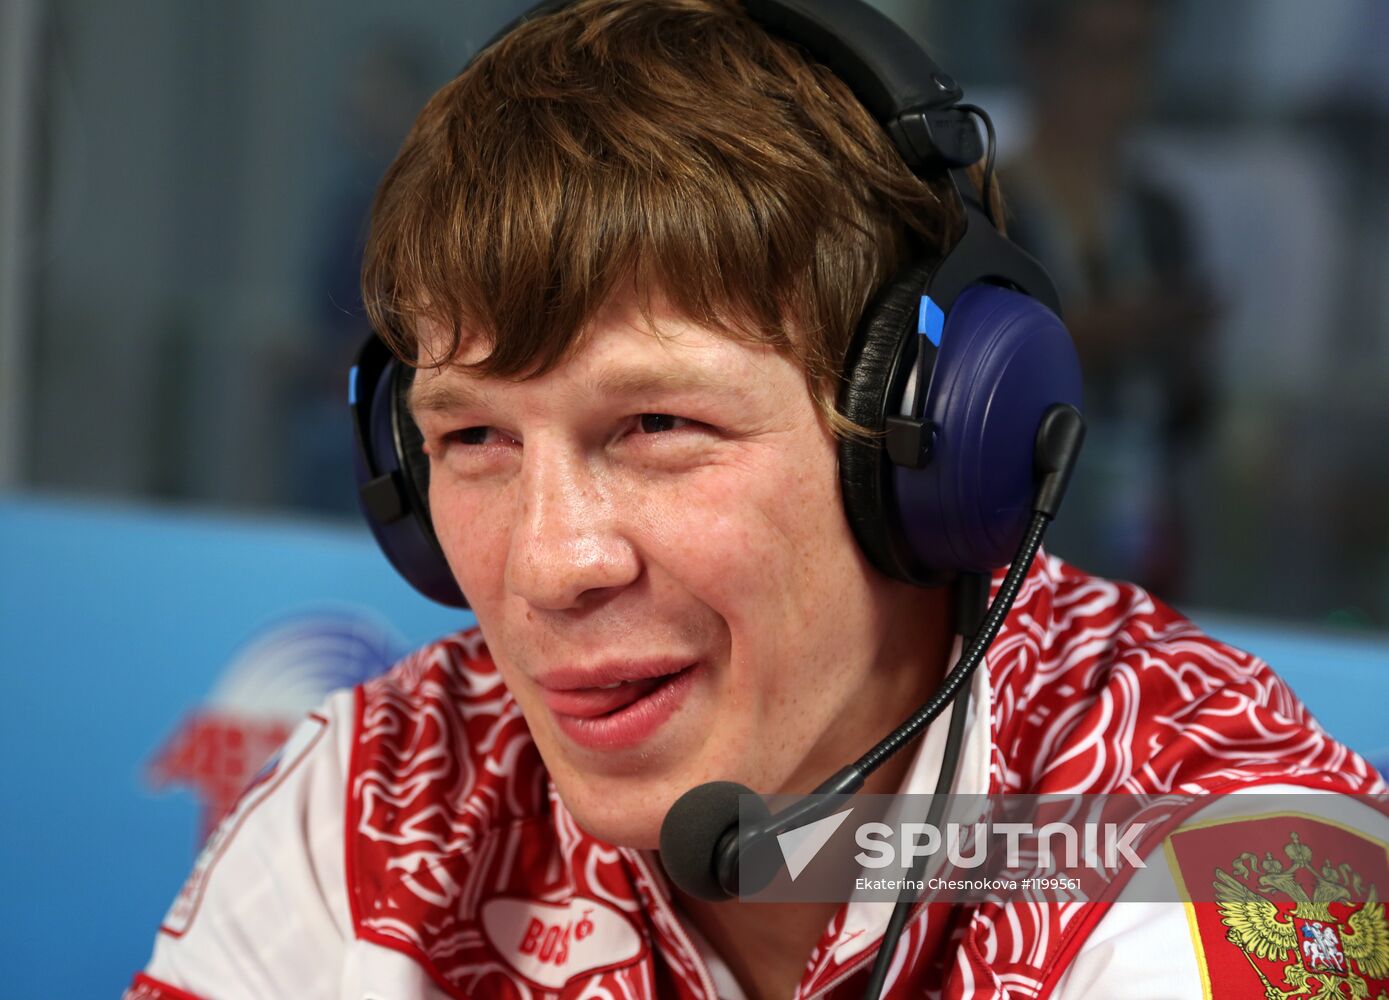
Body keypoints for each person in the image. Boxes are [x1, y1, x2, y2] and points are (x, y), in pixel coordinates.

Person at [126, 2, 1387, 998]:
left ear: (938, 447)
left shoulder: (1254, 868)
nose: (549, 564)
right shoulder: (385, 790)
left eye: (658, 426)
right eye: (472, 438)